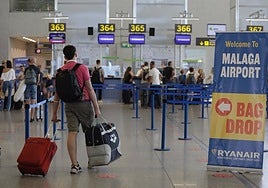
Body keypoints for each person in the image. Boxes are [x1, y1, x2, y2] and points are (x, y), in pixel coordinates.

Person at [52, 45, 101, 174]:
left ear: (64, 56)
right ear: (76, 54)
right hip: (84, 104)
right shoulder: (82, 68)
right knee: (89, 133)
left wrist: (54, 113)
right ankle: (92, 161)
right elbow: (90, 89)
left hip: (68, 105)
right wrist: (96, 108)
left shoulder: (59, 71)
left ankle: (74, 165)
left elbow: (57, 95)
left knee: (72, 133)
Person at [24, 57, 41, 122]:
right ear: (33, 61)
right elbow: (38, 78)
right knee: (33, 101)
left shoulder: (26, 69)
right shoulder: (37, 69)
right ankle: (32, 117)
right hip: (34, 85)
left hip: (27, 85)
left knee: (27, 102)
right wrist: (37, 83)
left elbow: (24, 77)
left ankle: (26, 117)